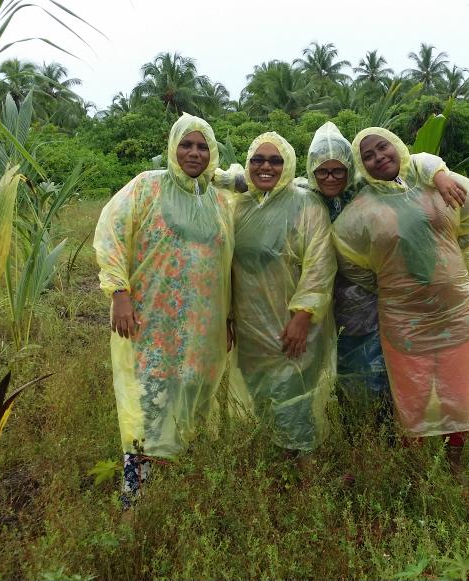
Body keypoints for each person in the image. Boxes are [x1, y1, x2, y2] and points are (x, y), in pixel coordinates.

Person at [331, 126, 469, 473]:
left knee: (457, 390)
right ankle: (416, 468)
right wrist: (387, 283)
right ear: (362, 166)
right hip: (403, 317)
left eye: (382, 147)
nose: (378, 158)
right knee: (412, 394)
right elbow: (348, 257)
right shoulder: (361, 210)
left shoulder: (432, 181)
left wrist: (451, 257)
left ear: (397, 147)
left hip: (454, 309)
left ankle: (454, 463)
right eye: (368, 156)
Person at [93, 113, 233, 505]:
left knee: (189, 401)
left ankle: (172, 493)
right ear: (172, 148)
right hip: (151, 321)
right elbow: (110, 234)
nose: (194, 152)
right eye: (186, 145)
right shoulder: (147, 187)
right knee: (148, 401)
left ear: (212, 152)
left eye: (202, 146)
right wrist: (119, 292)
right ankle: (132, 500)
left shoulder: (218, 199)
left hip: (201, 327)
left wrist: (228, 316)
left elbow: (229, 262)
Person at [304, 122, 468, 444]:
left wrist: (383, 281)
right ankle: (356, 442)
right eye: (322, 171)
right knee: (346, 377)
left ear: (352, 169)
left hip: (381, 307)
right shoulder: (305, 198)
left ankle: (388, 441)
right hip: (330, 308)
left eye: (339, 170)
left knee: (387, 378)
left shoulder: (367, 193)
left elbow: (417, 162)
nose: (331, 178)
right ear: (311, 171)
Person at [228, 132, 336, 464]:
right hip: (250, 327)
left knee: (294, 397)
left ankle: (305, 471)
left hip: (292, 325)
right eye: (257, 160)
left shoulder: (305, 203)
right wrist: (229, 318)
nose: (266, 167)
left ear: (287, 164)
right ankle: (278, 464)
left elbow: (320, 263)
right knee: (263, 397)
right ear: (248, 164)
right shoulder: (238, 207)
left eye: (275, 160)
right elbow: (226, 268)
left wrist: (303, 316)